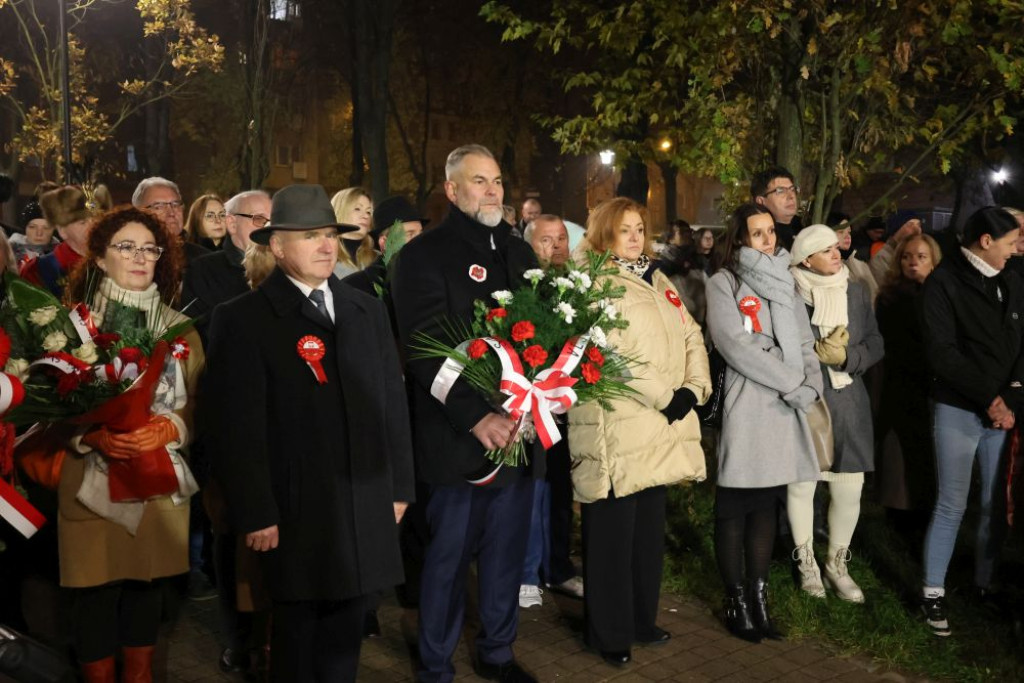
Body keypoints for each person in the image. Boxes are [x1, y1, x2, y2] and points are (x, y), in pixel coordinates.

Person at [206, 184, 414, 681]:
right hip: (295, 509)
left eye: (329, 235)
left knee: (347, 638)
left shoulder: (365, 309)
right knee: (297, 643)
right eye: (309, 236)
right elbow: (236, 430)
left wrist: (400, 486)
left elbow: (391, 404)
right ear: (276, 246)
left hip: (364, 500)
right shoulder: (242, 320)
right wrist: (256, 512)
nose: (326, 246)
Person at [391, 144, 541, 683]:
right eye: (479, 181)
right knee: (449, 564)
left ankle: (497, 653)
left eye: (497, 181)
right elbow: (425, 346)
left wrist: (542, 401)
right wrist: (478, 417)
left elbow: (544, 340)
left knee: (505, 558)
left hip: (519, 437)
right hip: (459, 443)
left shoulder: (522, 255)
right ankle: (435, 666)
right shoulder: (423, 256)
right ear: (452, 191)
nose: (493, 191)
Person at [57, 206, 204, 682]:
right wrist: (91, 435)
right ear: (98, 257)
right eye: (126, 247)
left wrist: (172, 428)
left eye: (149, 248)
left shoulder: (181, 327)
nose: (140, 258)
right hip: (88, 487)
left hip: (157, 483)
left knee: (146, 594)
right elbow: (38, 408)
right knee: (94, 599)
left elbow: (203, 404)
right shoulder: (69, 327)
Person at [569, 197, 709, 665]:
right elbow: (611, 350)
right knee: (611, 535)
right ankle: (607, 634)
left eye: (639, 228)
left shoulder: (658, 276)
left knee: (646, 533)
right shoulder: (591, 280)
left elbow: (691, 333)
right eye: (624, 229)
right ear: (604, 233)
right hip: (621, 423)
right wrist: (666, 396)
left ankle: (640, 620)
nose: (634, 236)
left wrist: (693, 389)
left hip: (661, 424)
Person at [705, 204, 822, 643]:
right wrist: (792, 381)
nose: (768, 240)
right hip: (749, 406)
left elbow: (805, 342)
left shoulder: (786, 282)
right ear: (739, 239)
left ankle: (758, 596)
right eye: (757, 234)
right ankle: (735, 600)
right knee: (734, 506)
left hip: (784, 408)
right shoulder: (724, 282)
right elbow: (735, 345)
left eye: (771, 231)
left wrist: (810, 386)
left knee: (767, 505)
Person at [919, 206, 1024, 637]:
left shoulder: (1012, 282)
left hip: (1004, 412)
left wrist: (1013, 396)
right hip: (959, 408)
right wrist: (990, 399)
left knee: (995, 505)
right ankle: (932, 593)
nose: (1016, 250)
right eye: (1011, 242)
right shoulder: (943, 284)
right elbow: (944, 353)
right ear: (985, 241)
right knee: (952, 502)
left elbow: (1020, 345)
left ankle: (984, 583)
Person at [786, 225, 884, 603]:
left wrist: (847, 357)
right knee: (802, 483)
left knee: (849, 486)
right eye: (825, 250)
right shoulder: (791, 295)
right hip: (809, 399)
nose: (836, 254)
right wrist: (813, 353)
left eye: (835, 248)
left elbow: (875, 342)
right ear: (805, 258)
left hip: (849, 399)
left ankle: (836, 564)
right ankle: (806, 561)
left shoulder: (856, 291)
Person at [518, 214, 583, 610]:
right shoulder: (521, 286)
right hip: (531, 407)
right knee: (532, 491)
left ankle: (557, 567)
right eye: (546, 240)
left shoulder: (578, 288)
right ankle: (526, 571)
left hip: (570, 407)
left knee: (560, 491)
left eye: (562, 238)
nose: (556, 247)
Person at [874, 234, 942, 544]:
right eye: (906, 256)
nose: (913, 261)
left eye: (921, 256)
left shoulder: (942, 296)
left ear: (933, 261)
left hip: (933, 385)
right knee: (897, 452)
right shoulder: (889, 297)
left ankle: (926, 512)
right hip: (899, 382)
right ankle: (898, 516)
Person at [181, 190, 272, 344]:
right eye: (259, 219)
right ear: (232, 223)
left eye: (273, 220)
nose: (267, 227)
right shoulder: (202, 270)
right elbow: (201, 333)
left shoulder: (286, 268)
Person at [20, 185, 106, 298]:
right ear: (62, 230)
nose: (93, 226)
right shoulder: (37, 271)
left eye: (95, 219)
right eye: (83, 222)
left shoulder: (115, 264)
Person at [132, 177, 208, 268]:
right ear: (139, 214)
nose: (171, 213)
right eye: (159, 206)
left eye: (175, 205)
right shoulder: (128, 259)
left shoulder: (204, 261)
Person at [830, 214, 878, 304]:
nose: (847, 236)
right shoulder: (826, 265)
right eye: (840, 231)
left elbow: (873, 295)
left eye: (849, 232)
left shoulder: (858, 261)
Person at [751, 166, 802, 251]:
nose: (791, 196)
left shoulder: (801, 227)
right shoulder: (762, 241)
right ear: (760, 201)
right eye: (780, 191)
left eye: (792, 189)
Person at [330, 187, 377, 278]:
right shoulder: (324, 257)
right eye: (357, 209)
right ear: (340, 211)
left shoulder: (377, 258)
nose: (366, 216)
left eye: (368, 212)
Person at [869, 210, 923, 283]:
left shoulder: (922, 255)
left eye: (919, 225)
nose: (917, 230)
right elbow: (885, 290)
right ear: (896, 231)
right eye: (910, 225)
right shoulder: (882, 258)